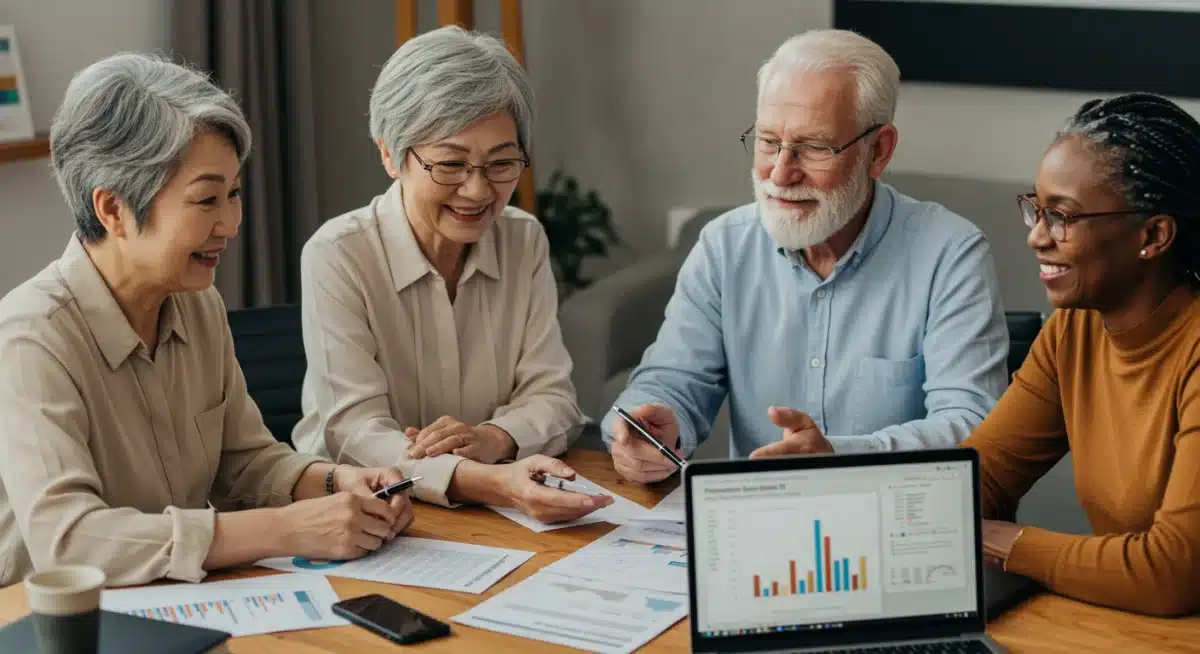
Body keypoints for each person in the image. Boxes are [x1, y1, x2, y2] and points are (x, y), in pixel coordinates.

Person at [0, 53, 414, 589]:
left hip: (177, 601)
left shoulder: (198, 305)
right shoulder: (30, 338)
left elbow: (245, 462)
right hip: (53, 620)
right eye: (206, 200)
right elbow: (70, 540)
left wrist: (334, 482)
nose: (231, 223)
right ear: (113, 209)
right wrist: (286, 529)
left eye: (233, 194)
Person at [604, 29, 1009, 483]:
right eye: (768, 141)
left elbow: (973, 425)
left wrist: (840, 455)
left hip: (897, 513)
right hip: (759, 515)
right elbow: (672, 380)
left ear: (878, 151)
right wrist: (655, 423)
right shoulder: (724, 246)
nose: (780, 173)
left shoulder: (950, 254)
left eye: (814, 147)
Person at [291, 26, 609, 523]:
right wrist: (484, 480)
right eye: (450, 164)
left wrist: (493, 438)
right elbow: (353, 433)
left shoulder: (523, 240)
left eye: (502, 163)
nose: (478, 191)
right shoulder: (339, 254)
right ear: (390, 154)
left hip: (497, 511)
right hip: (362, 514)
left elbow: (553, 397)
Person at [964, 93, 1200, 617]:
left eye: (1060, 216)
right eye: (1036, 210)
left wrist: (1006, 542)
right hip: (1128, 627)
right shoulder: (1074, 331)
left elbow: (1172, 574)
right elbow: (981, 478)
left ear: (1153, 235)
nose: (1036, 237)